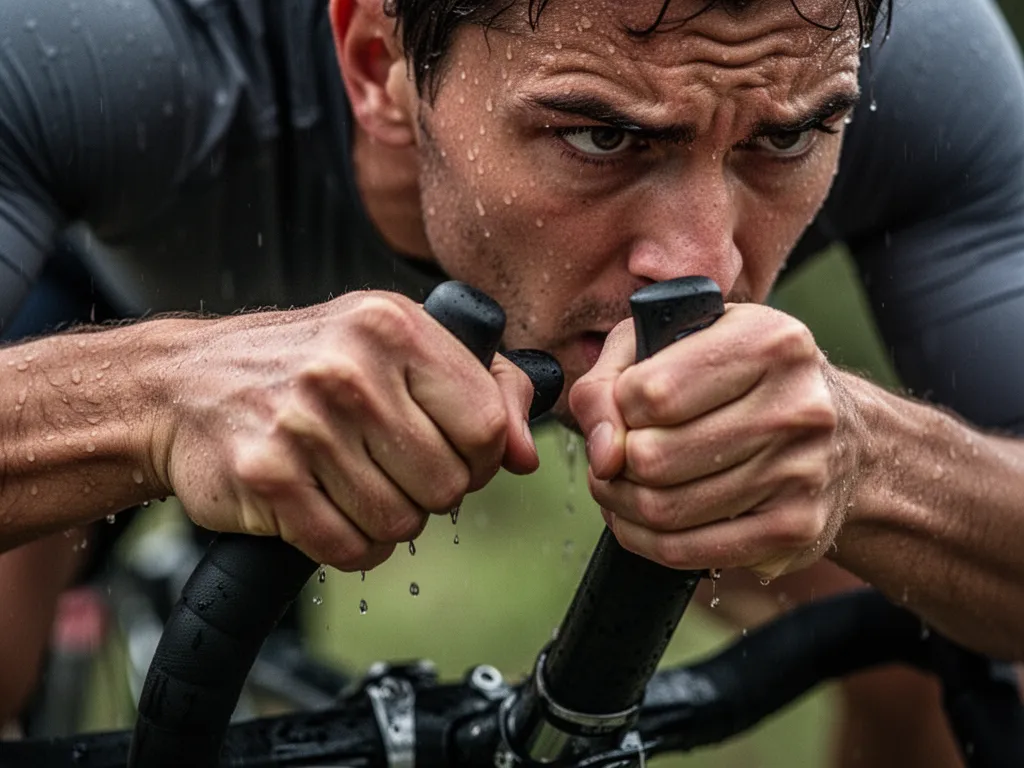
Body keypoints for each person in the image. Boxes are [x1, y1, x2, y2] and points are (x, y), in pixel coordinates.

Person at [0, 0, 1022, 764]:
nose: (704, 264)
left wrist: (872, 463)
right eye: (603, 135)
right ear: (374, 60)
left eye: (785, 140)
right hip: (97, 286)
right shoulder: (107, 35)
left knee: (913, 621)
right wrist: (147, 395)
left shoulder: (867, 50)